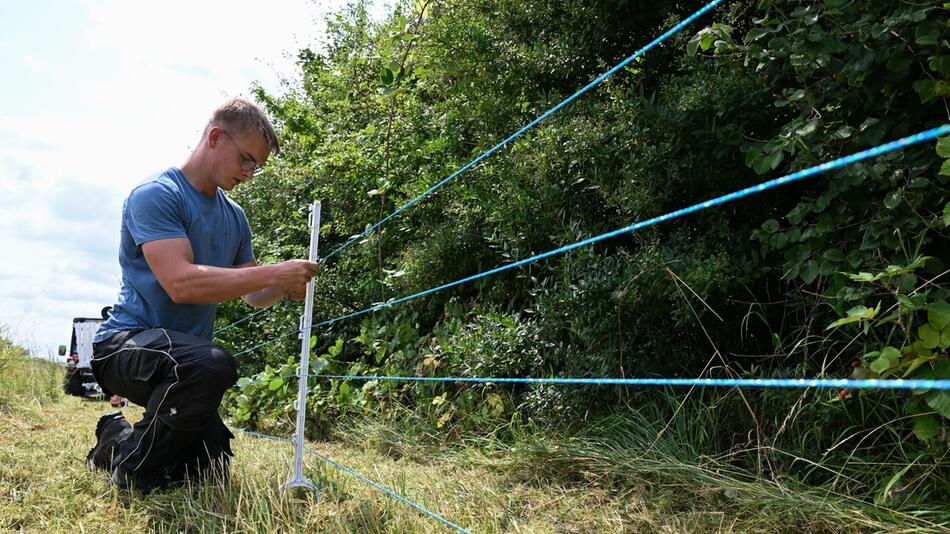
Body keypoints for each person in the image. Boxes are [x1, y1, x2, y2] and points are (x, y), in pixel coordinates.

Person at [87, 97, 319, 493]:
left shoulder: (235, 216)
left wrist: (283, 285)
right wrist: (275, 273)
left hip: (183, 362)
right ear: (215, 137)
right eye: (246, 160)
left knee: (205, 470)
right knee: (212, 365)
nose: (249, 173)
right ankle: (132, 474)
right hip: (123, 346)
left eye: (257, 167)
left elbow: (253, 294)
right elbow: (182, 284)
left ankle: (115, 438)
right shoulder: (157, 195)